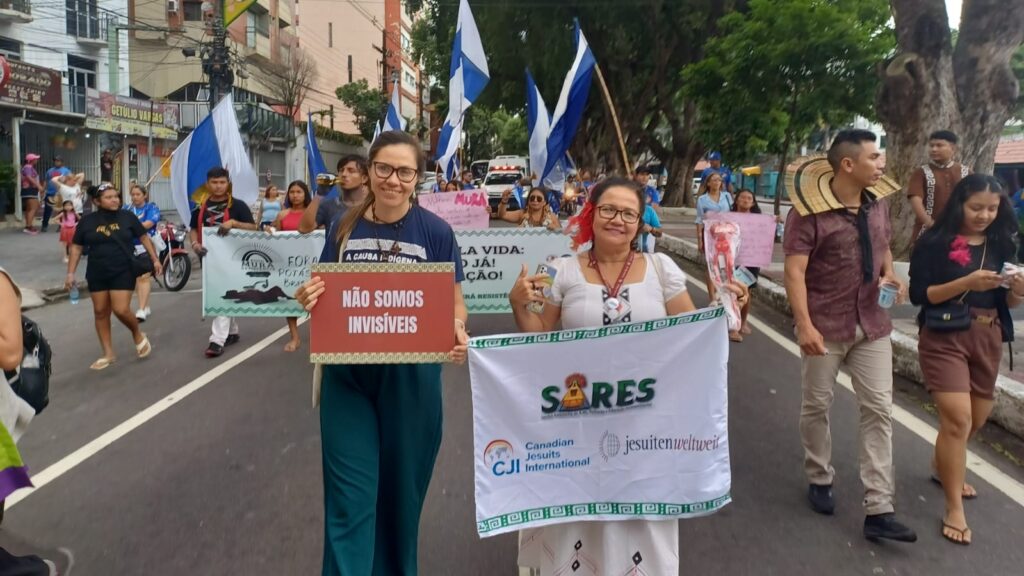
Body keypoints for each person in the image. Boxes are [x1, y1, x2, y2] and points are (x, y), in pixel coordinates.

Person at [508, 177, 748, 576]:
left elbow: (693, 333)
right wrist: (518, 305)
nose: (617, 219)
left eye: (628, 213)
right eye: (608, 209)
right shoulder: (560, 269)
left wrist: (729, 305)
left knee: (638, 517)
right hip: (577, 421)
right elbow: (539, 336)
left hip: (645, 427)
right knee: (578, 514)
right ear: (591, 213)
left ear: (639, 222)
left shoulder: (661, 269)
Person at [293, 131, 468, 576]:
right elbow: (324, 288)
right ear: (370, 171)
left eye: (404, 172)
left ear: (417, 178)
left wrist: (456, 329)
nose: (393, 180)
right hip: (348, 377)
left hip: (412, 379)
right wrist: (308, 296)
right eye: (384, 168)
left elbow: (455, 303)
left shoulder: (437, 232)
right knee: (349, 502)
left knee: (399, 501)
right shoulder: (342, 225)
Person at [783, 129, 917, 543]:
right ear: (848, 164)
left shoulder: (878, 204)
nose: (881, 164)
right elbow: (794, 272)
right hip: (825, 325)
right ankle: (819, 476)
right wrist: (805, 324)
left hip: (873, 323)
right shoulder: (808, 212)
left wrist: (890, 273)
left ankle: (879, 507)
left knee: (878, 409)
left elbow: (883, 245)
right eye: (874, 157)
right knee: (816, 405)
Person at [909, 174, 1022, 545]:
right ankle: (953, 507)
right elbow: (920, 295)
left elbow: (1009, 302)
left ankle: (943, 464)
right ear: (959, 204)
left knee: (976, 420)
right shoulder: (934, 242)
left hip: (988, 336)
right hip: (944, 334)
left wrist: (1019, 292)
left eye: (992, 208)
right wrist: (966, 283)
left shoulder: (1002, 243)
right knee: (958, 420)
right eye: (976, 207)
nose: (984, 215)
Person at [66, 183, 161, 370]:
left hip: (123, 269)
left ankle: (137, 333)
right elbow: (76, 247)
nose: (114, 200)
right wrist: (70, 273)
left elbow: (143, 237)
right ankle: (108, 353)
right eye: (109, 197)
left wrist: (155, 259)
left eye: (116, 196)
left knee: (121, 309)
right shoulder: (87, 221)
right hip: (97, 271)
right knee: (100, 311)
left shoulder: (127, 216)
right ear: (97, 201)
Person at [189, 167, 258, 358]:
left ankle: (217, 340)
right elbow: (193, 229)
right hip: (208, 257)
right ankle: (232, 331)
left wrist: (234, 223)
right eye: (214, 182)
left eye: (222, 182)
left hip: (233, 259)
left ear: (228, 184)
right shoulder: (199, 206)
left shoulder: (238, 206)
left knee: (222, 294)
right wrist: (194, 244)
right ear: (207, 184)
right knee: (225, 293)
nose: (218, 186)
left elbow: (253, 228)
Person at [267, 180, 311, 352]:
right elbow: (276, 236)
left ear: (305, 194)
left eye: (299, 192)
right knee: (289, 300)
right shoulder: (282, 215)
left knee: (314, 299)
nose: (295, 195)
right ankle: (295, 337)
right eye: (292, 192)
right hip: (288, 264)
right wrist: (269, 231)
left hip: (309, 262)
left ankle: (320, 336)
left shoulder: (313, 213)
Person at [907, 130, 971, 240]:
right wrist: (930, 223)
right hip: (928, 230)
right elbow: (915, 200)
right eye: (931, 146)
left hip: (959, 231)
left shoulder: (966, 172)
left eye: (939, 145)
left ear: (953, 148)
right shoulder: (921, 172)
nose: (934, 149)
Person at [730, 188, 769, 339]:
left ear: (753, 203)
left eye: (749, 198)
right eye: (742, 197)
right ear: (737, 200)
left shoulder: (759, 220)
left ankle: (743, 322)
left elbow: (766, 237)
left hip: (751, 260)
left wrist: (774, 223)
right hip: (732, 258)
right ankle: (733, 326)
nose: (745, 200)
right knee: (732, 291)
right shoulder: (728, 217)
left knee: (746, 292)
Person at [298, 155, 369, 234]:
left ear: (364, 178)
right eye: (341, 170)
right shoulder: (328, 205)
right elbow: (303, 229)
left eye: (351, 171)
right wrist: (318, 195)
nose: (344, 174)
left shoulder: (373, 206)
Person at [126, 184, 162, 322]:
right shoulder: (126, 209)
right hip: (130, 246)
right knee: (137, 278)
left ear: (144, 195)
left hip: (147, 245)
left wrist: (130, 227)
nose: (135, 197)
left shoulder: (151, 208)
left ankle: (141, 309)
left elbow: (148, 224)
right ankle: (145, 305)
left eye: (138, 194)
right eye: (133, 194)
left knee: (144, 277)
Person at [695, 171, 734, 298]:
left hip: (726, 236)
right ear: (708, 183)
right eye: (714, 180)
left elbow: (734, 215)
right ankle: (712, 297)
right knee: (711, 265)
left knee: (725, 265)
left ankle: (724, 294)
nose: (717, 182)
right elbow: (699, 220)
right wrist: (700, 240)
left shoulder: (727, 196)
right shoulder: (702, 199)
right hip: (710, 236)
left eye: (719, 180)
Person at [42, 156, 71, 232]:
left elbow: (69, 180)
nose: (56, 162)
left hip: (60, 193)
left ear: (62, 162)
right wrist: (43, 189)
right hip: (50, 192)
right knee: (47, 210)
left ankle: (61, 226)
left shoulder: (66, 171)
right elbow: (46, 180)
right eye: (55, 161)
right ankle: (44, 225)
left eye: (58, 161)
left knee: (61, 210)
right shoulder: (50, 171)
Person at [19, 154, 43, 235]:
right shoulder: (28, 167)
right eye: (35, 159)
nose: (37, 160)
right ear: (31, 160)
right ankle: (28, 227)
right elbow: (29, 177)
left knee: (29, 209)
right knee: (33, 208)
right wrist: (38, 186)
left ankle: (28, 226)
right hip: (29, 190)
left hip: (29, 190)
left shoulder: (28, 167)